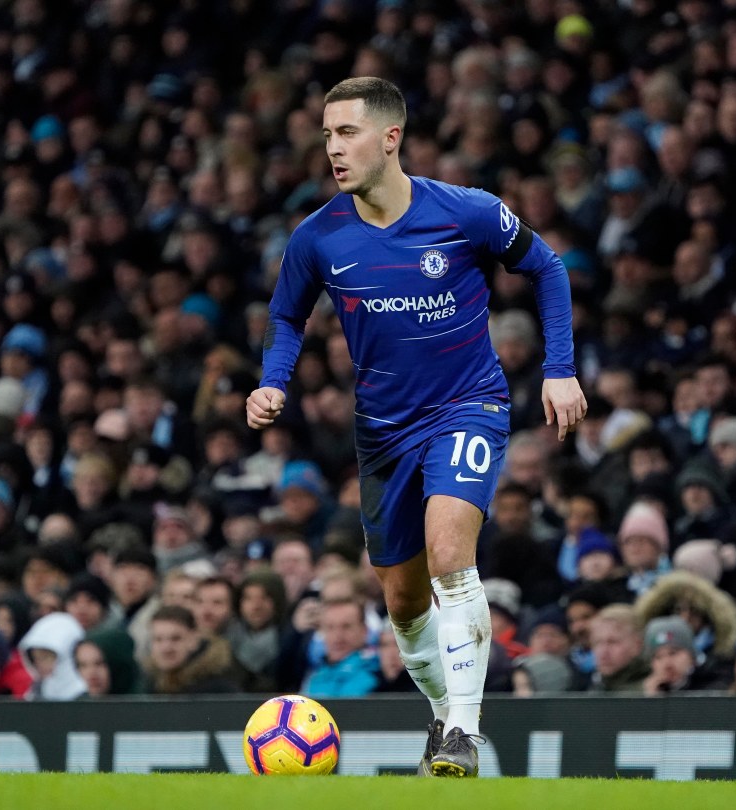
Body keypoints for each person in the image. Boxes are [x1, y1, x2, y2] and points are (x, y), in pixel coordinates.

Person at [247, 77, 586, 778]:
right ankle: (441, 712)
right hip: (382, 433)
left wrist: (559, 369)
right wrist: (273, 381)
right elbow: (286, 315)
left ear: (390, 137)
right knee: (403, 603)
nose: (333, 148)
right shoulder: (318, 237)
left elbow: (547, 268)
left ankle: (464, 730)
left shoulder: (467, 212)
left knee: (449, 555)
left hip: (468, 407)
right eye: (327, 135)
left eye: (347, 133)